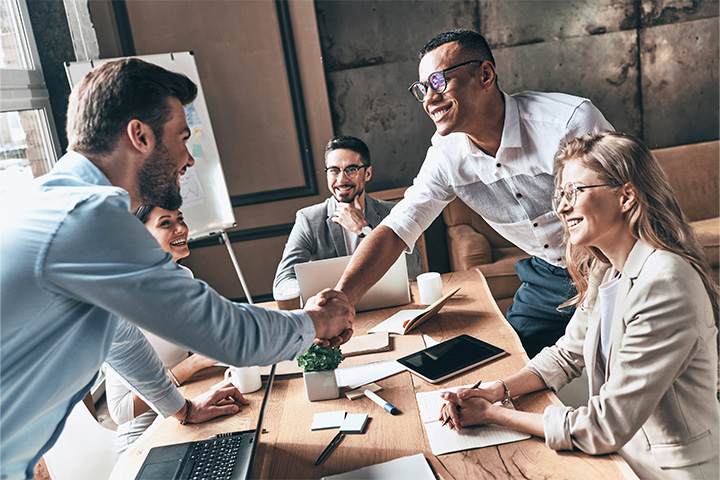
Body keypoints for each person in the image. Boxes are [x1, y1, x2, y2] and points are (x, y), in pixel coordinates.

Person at [0, 58, 353, 480]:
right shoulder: (88, 218)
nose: (187, 159)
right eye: (182, 138)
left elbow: (122, 342)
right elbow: (230, 335)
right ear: (140, 136)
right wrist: (317, 321)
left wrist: (182, 408)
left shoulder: (51, 202)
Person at [439, 132, 719, 479]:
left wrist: (492, 415)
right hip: (619, 458)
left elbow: (605, 425)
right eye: (560, 194)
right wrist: (495, 391)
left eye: (574, 191)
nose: (561, 206)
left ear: (626, 196)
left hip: (666, 472)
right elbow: (565, 354)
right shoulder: (606, 270)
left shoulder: (664, 283)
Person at [331, 29, 613, 358]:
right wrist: (340, 300)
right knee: (509, 364)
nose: (428, 99)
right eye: (422, 89)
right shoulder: (446, 156)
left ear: (485, 75)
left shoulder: (567, 123)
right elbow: (398, 227)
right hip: (548, 273)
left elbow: (626, 208)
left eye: (439, 82)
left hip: (610, 262)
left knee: (612, 362)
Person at [106, 205, 240, 455]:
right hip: (143, 435)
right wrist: (191, 366)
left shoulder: (183, 276)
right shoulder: (123, 299)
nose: (181, 229)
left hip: (185, 411)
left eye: (181, 219)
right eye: (166, 223)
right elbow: (120, 411)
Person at [273, 136, 423, 308]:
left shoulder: (391, 212)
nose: (341, 180)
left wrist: (364, 229)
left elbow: (414, 271)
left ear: (367, 173)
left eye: (351, 169)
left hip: (389, 306)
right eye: (334, 170)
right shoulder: (308, 219)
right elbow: (283, 280)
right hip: (333, 311)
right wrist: (315, 298)